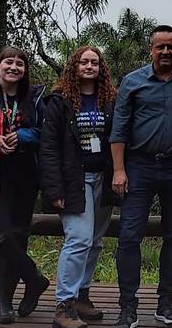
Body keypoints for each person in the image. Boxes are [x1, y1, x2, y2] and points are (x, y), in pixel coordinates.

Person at [110, 25, 172, 328]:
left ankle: (167, 302)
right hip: (139, 166)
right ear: (150, 49)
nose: (166, 51)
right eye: (160, 46)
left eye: (171, 46)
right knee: (128, 235)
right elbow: (120, 128)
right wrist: (119, 169)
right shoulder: (132, 82)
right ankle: (128, 306)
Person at [40, 45, 119, 328]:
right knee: (79, 239)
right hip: (75, 179)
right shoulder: (59, 101)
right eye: (84, 62)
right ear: (74, 66)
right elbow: (48, 148)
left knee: (95, 241)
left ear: (101, 68)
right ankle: (64, 305)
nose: (89, 66)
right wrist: (54, 189)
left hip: (104, 178)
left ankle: (82, 296)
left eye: (94, 62)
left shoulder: (109, 99)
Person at [0, 46, 50, 323]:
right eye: (8, 62)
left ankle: (6, 302)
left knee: (19, 234)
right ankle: (33, 277)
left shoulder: (33, 98)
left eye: (20, 64)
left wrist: (21, 135)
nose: (14, 67)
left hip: (24, 171)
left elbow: (43, 130)